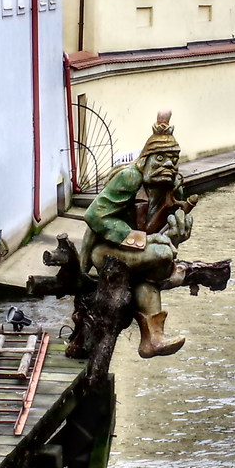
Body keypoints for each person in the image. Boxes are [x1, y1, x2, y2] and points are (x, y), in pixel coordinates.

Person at [82, 111, 196, 357]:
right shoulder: (130, 177)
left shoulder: (173, 184)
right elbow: (94, 215)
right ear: (146, 158)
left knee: (151, 274)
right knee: (162, 253)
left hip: (140, 255)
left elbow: (171, 226)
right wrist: (141, 239)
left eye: (173, 159)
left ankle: (153, 339)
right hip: (107, 251)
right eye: (161, 158)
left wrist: (180, 232)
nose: (168, 165)